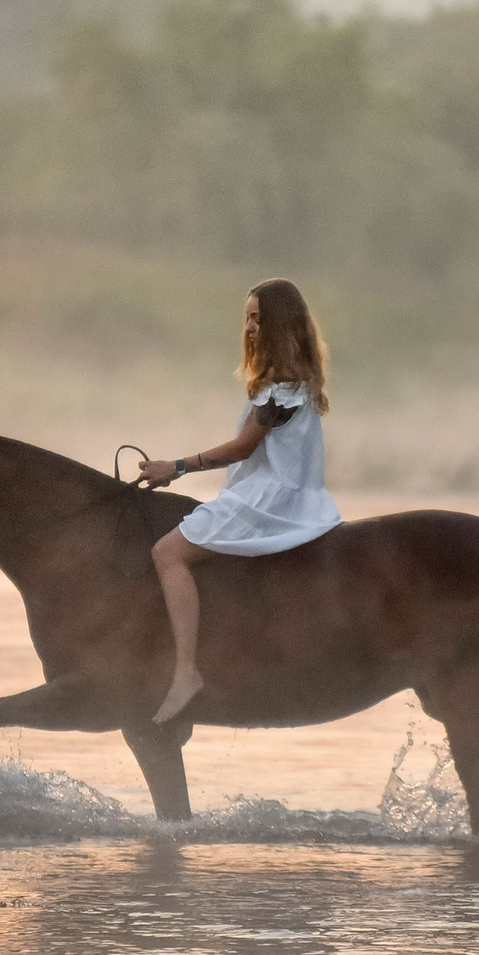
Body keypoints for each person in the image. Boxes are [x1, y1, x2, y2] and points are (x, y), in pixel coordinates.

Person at [138, 278, 341, 723]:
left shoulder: (281, 388)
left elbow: (242, 449)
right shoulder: (295, 382)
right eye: (246, 318)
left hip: (270, 500)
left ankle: (186, 671)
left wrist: (177, 466)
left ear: (277, 324)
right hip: (291, 495)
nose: (248, 328)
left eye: (256, 318)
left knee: (167, 552)